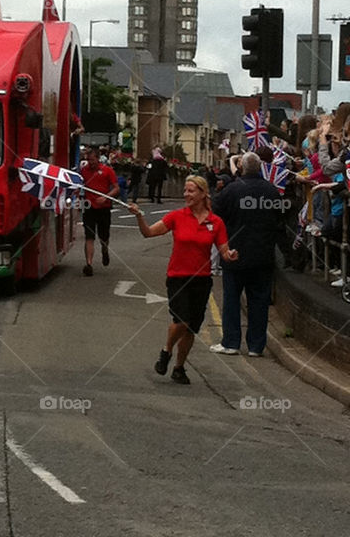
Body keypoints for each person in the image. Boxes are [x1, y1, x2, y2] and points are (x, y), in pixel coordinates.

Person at [129, 174, 238, 384]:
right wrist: (139, 216)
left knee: (191, 328)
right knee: (182, 319)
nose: (186, 194)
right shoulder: (176, 217)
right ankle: (166, 350)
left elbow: (223, 250)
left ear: (203, 193)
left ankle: (179, 367)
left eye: (191, 191)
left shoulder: (215, 222)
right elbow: (149, 233)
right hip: (178, 277)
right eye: (185, 190)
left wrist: (230, 254)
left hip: (202, 280)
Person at [209, 152, 283, 356]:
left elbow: (215, 213)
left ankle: (231, 342)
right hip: (263, 255)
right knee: (259, 302)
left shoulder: (231, 190)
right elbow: (279, 220)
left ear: (242, 168)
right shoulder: (272, 191)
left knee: (232, 300)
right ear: (260, 168)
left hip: (235, 253)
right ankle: (256, 347)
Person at [79, 146, 119, 275]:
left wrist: (106, 197)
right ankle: (89, 264)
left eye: (92, 160)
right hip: (89, 207)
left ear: (98, 159)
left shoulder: (107, 171)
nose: (90, 163)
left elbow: (116, 188)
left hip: (104, 208)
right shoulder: (84, 171)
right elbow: (78, 185)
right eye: (88, 160)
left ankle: (105, 248)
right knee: (89, 236)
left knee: (104, 235)